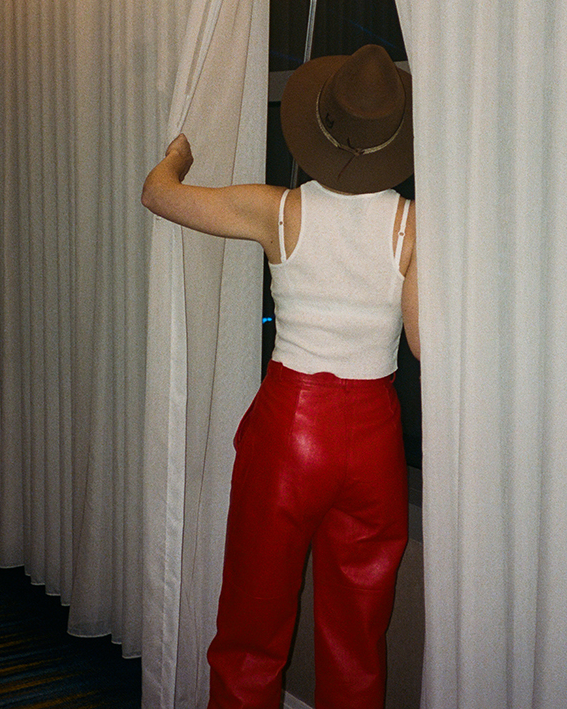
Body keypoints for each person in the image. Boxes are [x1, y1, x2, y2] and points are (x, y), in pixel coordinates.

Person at [142, 43, 418, 709]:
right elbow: (423, 342)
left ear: (321, 124)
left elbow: (159, 194)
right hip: (374, 438)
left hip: (290, 432)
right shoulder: (413, 226)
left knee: (253, 623)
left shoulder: (279, 209)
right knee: (358, 639)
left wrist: (178, 153)